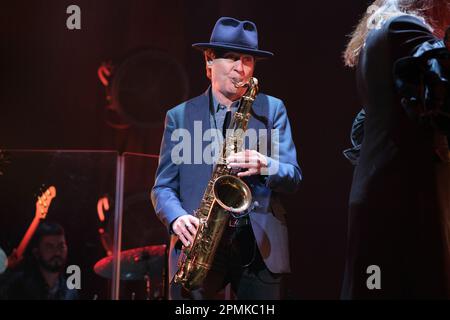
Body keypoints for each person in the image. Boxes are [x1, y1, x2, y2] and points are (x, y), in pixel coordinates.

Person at [151, 17, 301, 300]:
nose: (241, 68)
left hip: (259, 246)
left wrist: (265, 165)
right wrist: (177, 218)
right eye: (231, 58)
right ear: (209, 60)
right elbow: (162, 188)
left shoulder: (273, 109)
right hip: (197, 244)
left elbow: (293, 176)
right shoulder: (179, 116)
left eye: (247, 59)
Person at [342, 0, 450, 299]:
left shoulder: (383, 27)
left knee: (376, 288)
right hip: (401, 195)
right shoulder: (404, 27)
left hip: (383, 191)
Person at [0, 221, 78, 300]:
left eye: (61, 246)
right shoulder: (17, 285)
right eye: (49, 247)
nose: (57, 252)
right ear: (36, 252)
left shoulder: (70, 292)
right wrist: (6, 270)